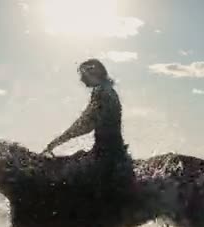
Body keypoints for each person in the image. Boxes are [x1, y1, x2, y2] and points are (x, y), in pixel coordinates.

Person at [41, 58, 135, 203]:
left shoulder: (101, 92)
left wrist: (57, 141)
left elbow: (85, 124)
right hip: (112, 151)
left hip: (106, 154)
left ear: (93, 72)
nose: (81, 79)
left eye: (83, 74)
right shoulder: (106, 90)